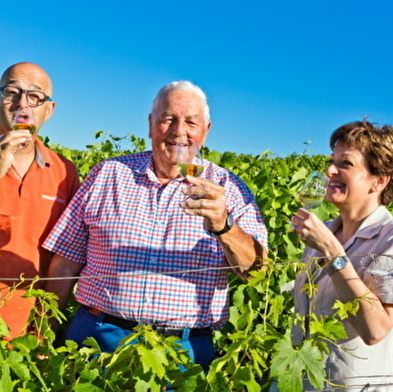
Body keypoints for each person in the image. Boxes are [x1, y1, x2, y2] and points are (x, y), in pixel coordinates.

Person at [42, 80, 268, 369]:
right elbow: (65, 262)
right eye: (168, 118)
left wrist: (224, 225)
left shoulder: (229, 188)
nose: (179, 131)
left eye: (191, 122)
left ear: (206, 130)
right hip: (96, 340)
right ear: (151, 124)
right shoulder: (108, 174)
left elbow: (257, 271)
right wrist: (46, 333)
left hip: (183, 352)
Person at [291, 121, 393, 391]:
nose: (329, 170)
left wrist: (332, 252)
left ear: (379, 181)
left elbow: (376, 331)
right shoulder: (322, 233)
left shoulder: (389, 240)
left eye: (345, 164)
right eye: (331, 161)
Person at [0, 62, 80, 338]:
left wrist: (46, 331)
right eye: (12, 92)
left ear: (49, 110)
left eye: (34, 96)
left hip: (27, 332)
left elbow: (66, 258)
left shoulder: (64, 172)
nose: (22, 103)